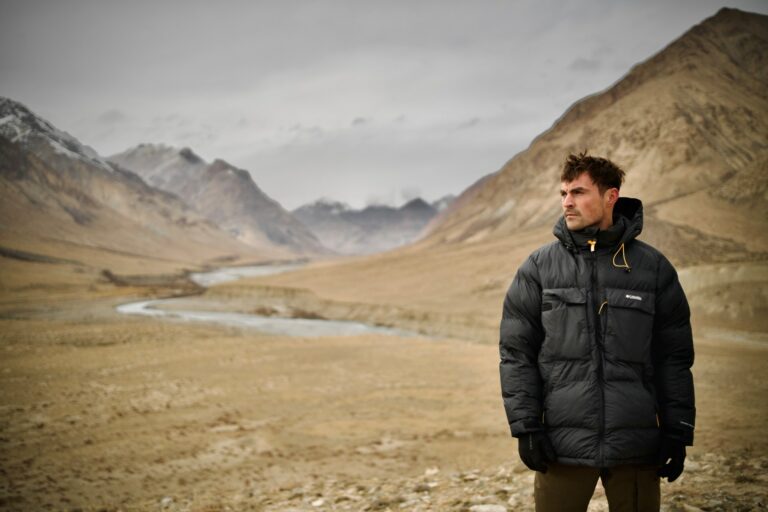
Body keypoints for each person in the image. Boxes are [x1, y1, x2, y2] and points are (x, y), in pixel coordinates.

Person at [499, 152, 695, 512]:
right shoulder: (539, 268)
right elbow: (516, 353)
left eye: (578, 192)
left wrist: (677, 428)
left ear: (610, 197)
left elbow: (673, 357)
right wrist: (526, 427)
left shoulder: (652, 269)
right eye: (563, 194)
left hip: (636, 445)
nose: (567, 203)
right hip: (561, 443)